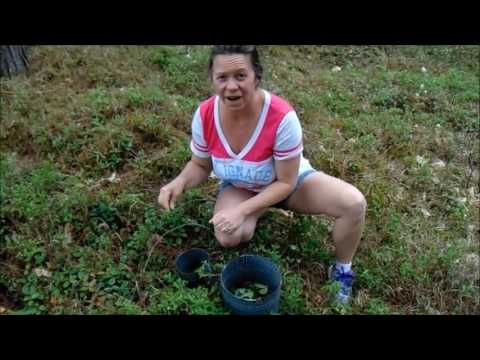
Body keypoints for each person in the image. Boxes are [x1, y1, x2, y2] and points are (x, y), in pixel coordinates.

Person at [158, 45, 367, 304]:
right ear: (212, 78)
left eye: (240, 76)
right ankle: (259, 208)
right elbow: (200, 165)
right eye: (222, 77)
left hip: (289, 185)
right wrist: (178, 182)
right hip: (242, 185)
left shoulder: (281, 117)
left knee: (353, 203)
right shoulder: (205, 115)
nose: (231, 86)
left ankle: (342, 269)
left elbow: (287, 181)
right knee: (228, 236)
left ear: (257, 76)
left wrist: (242, 210)